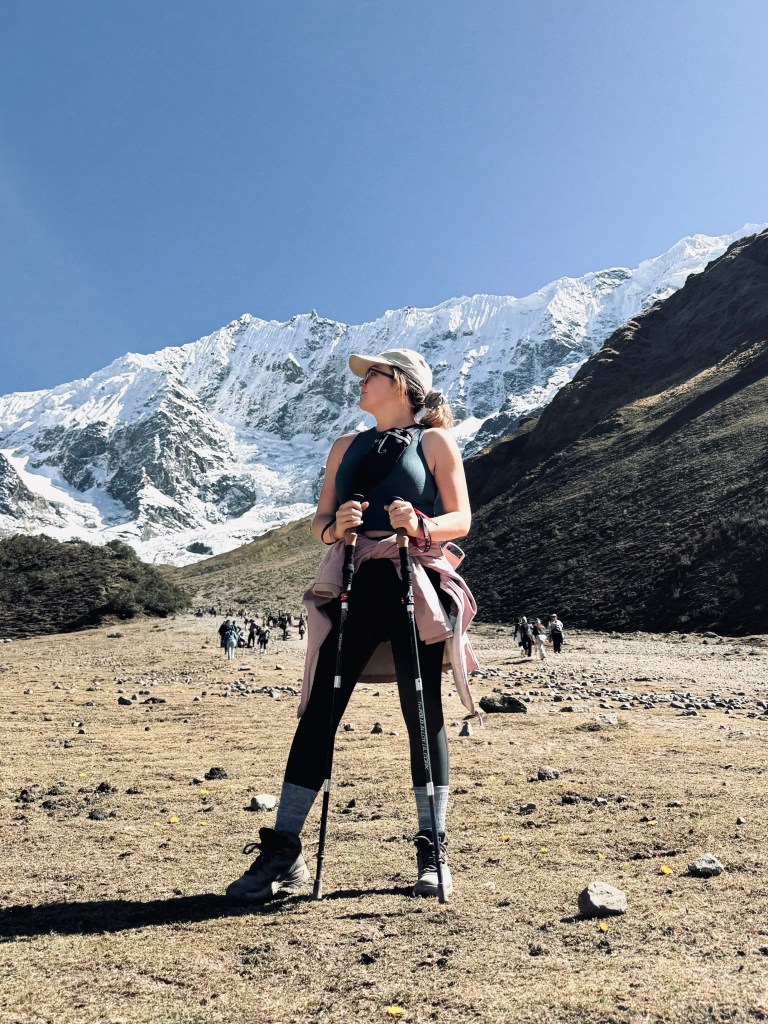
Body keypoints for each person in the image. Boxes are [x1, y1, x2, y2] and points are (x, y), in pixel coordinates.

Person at [226, 347, 477, 903]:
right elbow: (320, 521)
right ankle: (283, 849)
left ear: (403, 384)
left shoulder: (434, 442)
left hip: (413, 582)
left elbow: (462, 516)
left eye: (373, 375)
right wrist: (334, 527)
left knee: (422, 709)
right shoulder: (344, 446)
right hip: (356, 585)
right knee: (319, 711)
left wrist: (422, 522)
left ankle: (432, 845)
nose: (361, 382)